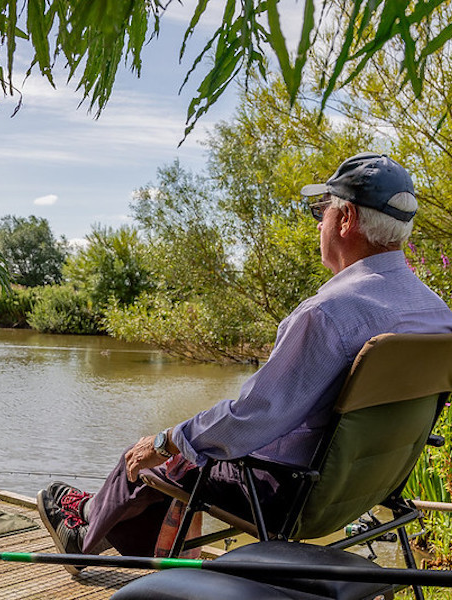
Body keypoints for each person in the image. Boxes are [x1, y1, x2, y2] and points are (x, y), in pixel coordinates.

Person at [37, 152, 452, 573]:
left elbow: (252, 417)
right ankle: (96, 515)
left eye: (320, 211)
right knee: (191, 442)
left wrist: (165, 441)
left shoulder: (327, 314)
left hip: (291, 498)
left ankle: (85, 531)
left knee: (165, 453)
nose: (318, 225)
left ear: (345, 219)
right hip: (367, 488)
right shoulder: (439, 315)